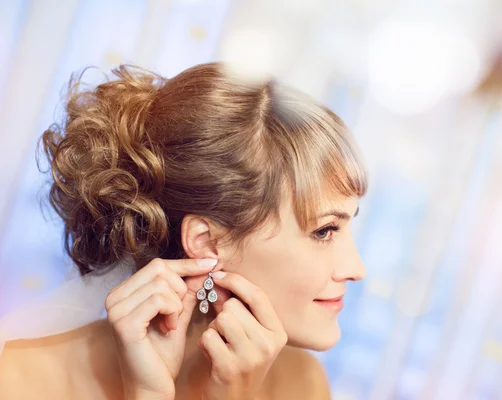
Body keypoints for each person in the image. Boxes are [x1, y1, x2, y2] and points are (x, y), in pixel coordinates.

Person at [0, 62, 368, 399]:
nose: (356, 269)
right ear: (207, 243)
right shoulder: (18, 381)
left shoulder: (299, 383)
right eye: (324, 231)